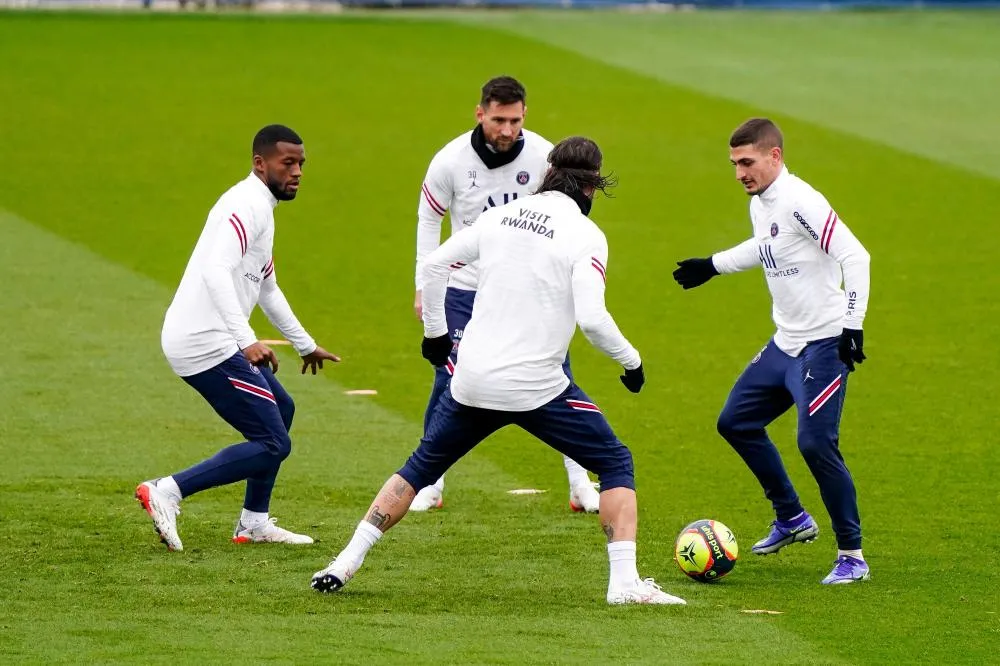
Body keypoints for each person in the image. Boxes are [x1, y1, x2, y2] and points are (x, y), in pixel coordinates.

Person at [312, 137, 685, 605]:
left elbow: (433, 264)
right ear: (592, 188)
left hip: (471, 381)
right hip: (537, 389)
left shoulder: (499, 216)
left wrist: (435, 334)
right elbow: (592, 319)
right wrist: (632, 361)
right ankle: (624, 584)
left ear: (548, 172)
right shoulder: (586, 236)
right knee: (614, 462)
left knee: (419, 467)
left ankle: (345, 561)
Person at [672, 118, 871, 585]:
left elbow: (855, 256)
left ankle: (852, 556)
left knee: (815, 442)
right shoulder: (763, 201)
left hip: (823, 344)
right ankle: (792, 518)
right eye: (734, 164)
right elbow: (766, 247)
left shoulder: (802, 201)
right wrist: (713, 266)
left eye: (748, 162)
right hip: (785, 342)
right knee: (735, 422)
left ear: (774, 157)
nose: (740, 172)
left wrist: (852, 326)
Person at [135, 124, 339, 551]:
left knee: (282, 409)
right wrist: (247, 340)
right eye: (288, 163)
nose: (298, 171)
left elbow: (267, 287)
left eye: (302, 163)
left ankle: (253, 523)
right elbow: (215, 271)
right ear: (259, 163)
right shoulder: (243, 205)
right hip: (203, 342)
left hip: (218, 339)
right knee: (272, 443)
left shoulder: (262, 209)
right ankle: (167, 490)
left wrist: (304, 344)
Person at [411, 75, 599, 513]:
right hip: (463, 287)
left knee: (556, 373)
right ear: (480, 114)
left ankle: (579, 484)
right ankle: (429, 482)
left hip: (522, 288)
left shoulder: (544, 157)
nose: (508, 130)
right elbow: (428, 222)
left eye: (515, 120)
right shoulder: (449, 162)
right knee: (448, 377)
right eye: (499, 120)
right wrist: (424, 285)